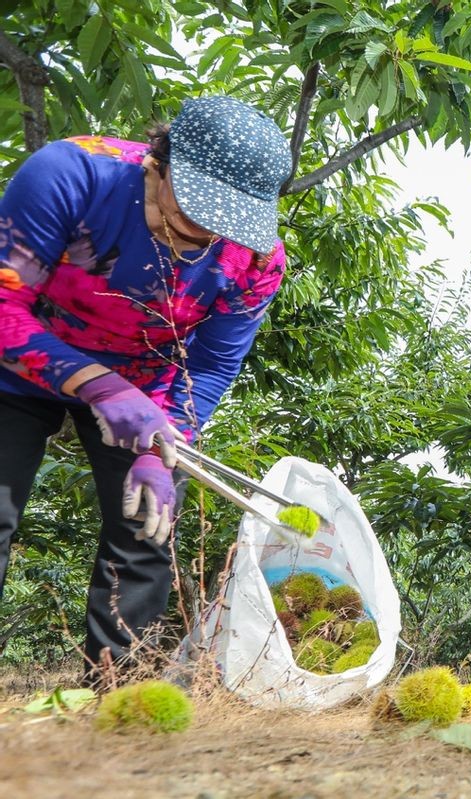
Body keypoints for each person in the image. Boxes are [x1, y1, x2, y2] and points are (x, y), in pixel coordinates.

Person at [0, 95, 292, 678]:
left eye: (220, 229)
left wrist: (170, 444)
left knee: (146, 530)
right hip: (17, 365)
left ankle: (118, 689)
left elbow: (209, 365)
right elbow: (4, 302)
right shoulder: (72, 175)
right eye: (187, 221)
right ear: (157, 166)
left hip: (148, 391)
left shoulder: (256, 262)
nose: (200, 242)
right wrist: (99, 386)